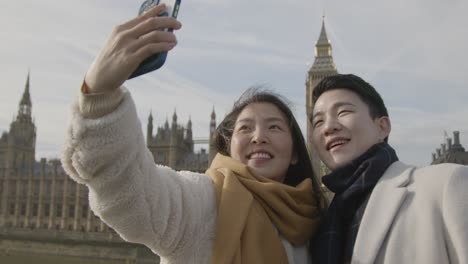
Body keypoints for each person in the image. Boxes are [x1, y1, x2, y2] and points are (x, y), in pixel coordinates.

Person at [61, 4, 325, 264]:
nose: (259, 136)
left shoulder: (314, 225)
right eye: (245, 128)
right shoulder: (201, 204)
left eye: (274, 127)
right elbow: (134, 195)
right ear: (228, 148)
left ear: (294, 152)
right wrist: (100, 96)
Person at [309, 73, 468, 264]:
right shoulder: (321, 223)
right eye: (318, 122)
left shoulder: (446, 185)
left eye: (343, 112)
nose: (329, 127)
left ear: (382, 127)